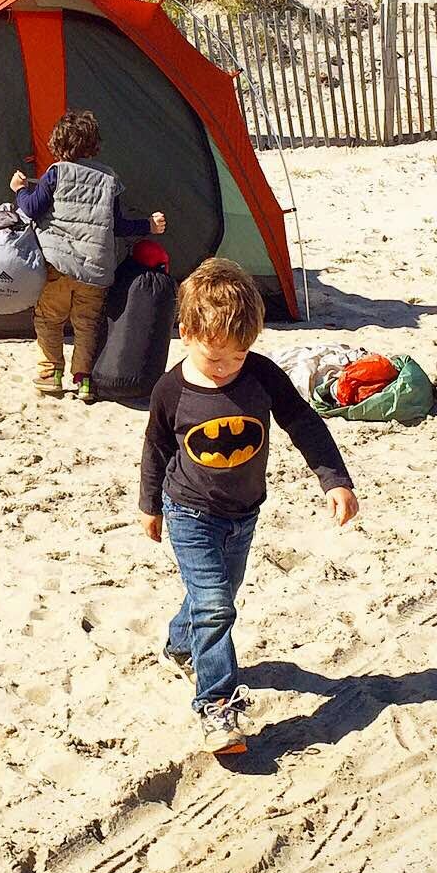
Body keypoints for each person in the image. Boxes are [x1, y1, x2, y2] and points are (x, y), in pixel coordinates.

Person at [139, 257, 359, 755]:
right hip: (189, 511)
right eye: (215, 358)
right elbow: (155, 447)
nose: (226, 368)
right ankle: (216, 706)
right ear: (186, 333)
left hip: (244, 512)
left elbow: (303, 422)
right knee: (217, 604)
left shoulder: (260, 375)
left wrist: (334, 480)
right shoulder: (171, 389)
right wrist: (149, 504)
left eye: (238, 356)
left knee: (216, 595)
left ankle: (181, 643)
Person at [10, 108, 165, 401]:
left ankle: (51, 374)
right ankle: (84, 380)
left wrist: (19, 190)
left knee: (49, 319)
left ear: (57, 144)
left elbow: (31, 209)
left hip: (57, 265)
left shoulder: (56, 173)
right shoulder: (109, 178)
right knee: (88, 324)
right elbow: (118, 225)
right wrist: (149, 225)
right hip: (95, 269)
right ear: (94, 145)